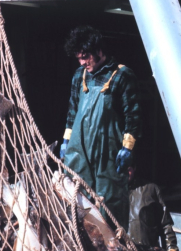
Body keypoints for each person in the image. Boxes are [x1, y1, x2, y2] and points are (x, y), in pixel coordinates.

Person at [60, 26, 141, 229]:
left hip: (108, 154)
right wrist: (66, 140)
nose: (82, 62)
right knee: (77, 205)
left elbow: (133, 115)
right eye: (79, 58)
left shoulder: (122, 76)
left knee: (109, 207)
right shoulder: (80, 76)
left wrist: (128, 148)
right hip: (79, 152)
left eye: (85, 57)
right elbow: (72, 111)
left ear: (99, 51)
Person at [127, 167, 179, 251]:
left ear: (134, 168)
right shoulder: (110, 192)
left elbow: (165, 224)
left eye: (128, 168)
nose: (125, 172)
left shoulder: (151, 189)